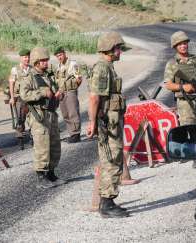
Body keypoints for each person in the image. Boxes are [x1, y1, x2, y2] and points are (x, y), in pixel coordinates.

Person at [86, 31, 130, 218]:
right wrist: (93, 122)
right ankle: (107, 203)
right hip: (107, 123)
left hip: (112, 121)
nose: (120, 51)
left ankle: (108, 200)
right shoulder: (103, 68)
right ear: (109, 49)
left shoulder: (108, 67)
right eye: (118, 48)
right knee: (111, 159)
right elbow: (95, 98)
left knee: (112, 158)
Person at [163, 31, 196, 169]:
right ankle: (195, 157)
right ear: (175, 46)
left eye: (185, 43)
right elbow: (168, 84)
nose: (183, 46)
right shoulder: (172, 64)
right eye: (180, 44)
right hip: (185, 102)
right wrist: (183, 87)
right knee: (191, 129)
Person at [19, 47, 65, 189]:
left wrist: (58, 94)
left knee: (54, 145)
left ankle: (51, 173)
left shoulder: (48, 76)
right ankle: (41, 176)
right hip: (38, 116)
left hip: (51, 114)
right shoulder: (29, 77)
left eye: (46, 60)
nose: (46, 63)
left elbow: (54, 90)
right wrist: (41, 93)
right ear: (36, 62)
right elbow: (24, 95)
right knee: (42, 146)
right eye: (43, 61)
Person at [53, 47, 82, 143]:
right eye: (57, 56)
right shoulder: (58, 66)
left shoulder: (72, 64)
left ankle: (76, 134)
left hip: (70, 91)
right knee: (65, 114)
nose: (59, 57)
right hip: (61, 93)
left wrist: (74, 88)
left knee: (73, 112)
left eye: (60, 55)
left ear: (64, 54)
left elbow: (79, 78)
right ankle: (71, 133)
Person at [8, 49, 31, 138]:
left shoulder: (31, 69)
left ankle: (33, 132)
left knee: (33, 116)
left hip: (30, 96)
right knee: (20, 117)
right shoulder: (15, 69)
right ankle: (20, 132)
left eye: (28, 57)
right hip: (19, 97)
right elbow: (11, 83)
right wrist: (12, 97)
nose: (27, 59)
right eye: (25, 57)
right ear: (21, 58)